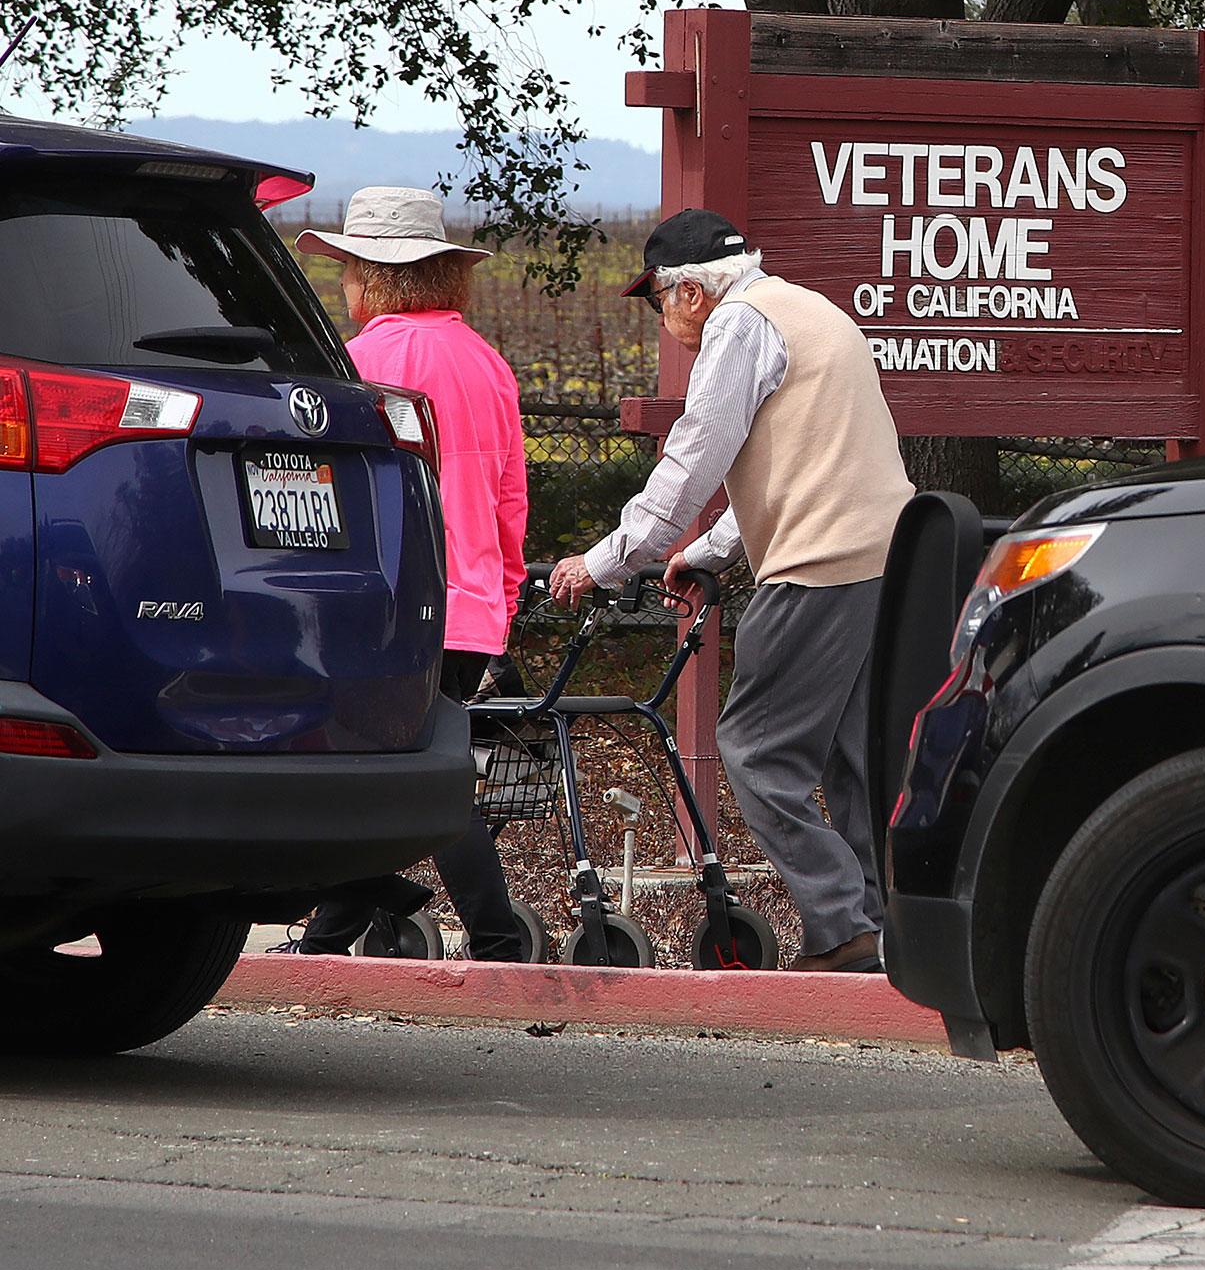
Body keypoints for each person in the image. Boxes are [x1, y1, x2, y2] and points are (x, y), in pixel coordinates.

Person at [549, 209, 912, 974]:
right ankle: (884, 929)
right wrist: (705, 551)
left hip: (820, 564)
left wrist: (604, 561)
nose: (663, 320)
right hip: (886, 558)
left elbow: (692, 462)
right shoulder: (807, 310)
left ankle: (842, 927)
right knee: (853, 758)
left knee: (756, 750)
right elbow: (800, 464)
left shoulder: (738, 325)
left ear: (689, 292)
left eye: (658, 302)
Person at [293, 186, 530, 961]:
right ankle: (337, 936)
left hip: (383, 607)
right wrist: (501, 599)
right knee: (412, 765)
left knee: (379, 770)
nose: (343, 286)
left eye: (347, 270)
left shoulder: (356, 364)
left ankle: (490, 940)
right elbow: (510, 502)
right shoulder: (490, 365)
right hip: (469, 608)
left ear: (374, 277)